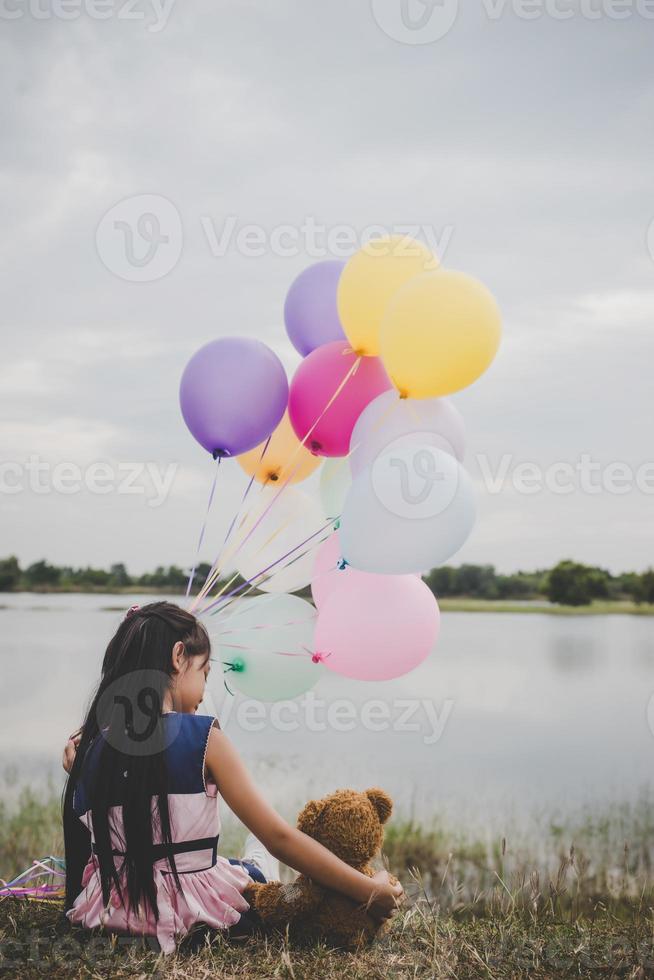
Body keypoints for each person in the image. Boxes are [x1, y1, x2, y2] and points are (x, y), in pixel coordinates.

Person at [62, 601, 403, 953]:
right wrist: (368, 892)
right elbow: (279, 838)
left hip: (108, 914)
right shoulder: (204, 738)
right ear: (178, 656)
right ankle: (257, 866)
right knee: (259, 859)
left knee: (236, 860)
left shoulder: (87, 748)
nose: (204, 691)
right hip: (192, 913)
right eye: (205, 673)